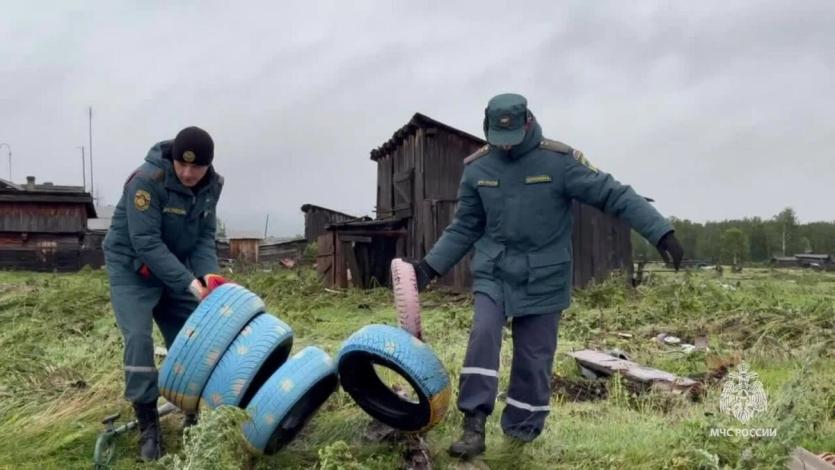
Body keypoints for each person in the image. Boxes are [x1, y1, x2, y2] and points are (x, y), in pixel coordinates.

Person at [409, 93, 683, 459]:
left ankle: (521, 433)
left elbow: (613, 194)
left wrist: (660, 232)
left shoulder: (560, 162)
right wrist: (429, 268)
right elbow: (464, 227)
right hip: (495, 273)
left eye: (511, 140)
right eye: (497, 140)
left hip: (544, 276)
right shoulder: (478, 169)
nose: (505, 148)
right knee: (483, 336)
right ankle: (473, 423)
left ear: (527, 124)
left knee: (534, 359)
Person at [102, 126, 226, 461]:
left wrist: (209, 278)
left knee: (195, 336)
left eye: (195, 167)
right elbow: (146, 242)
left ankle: (193, 410)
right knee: (139, 339)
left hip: (175, 269)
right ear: (171, 159)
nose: (187, 173)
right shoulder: (147, 181)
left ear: (208, 167)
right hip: (133, 271)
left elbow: (203, 238)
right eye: (180, 165)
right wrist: (188, 282)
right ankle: (148, 422)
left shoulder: (212, 187)